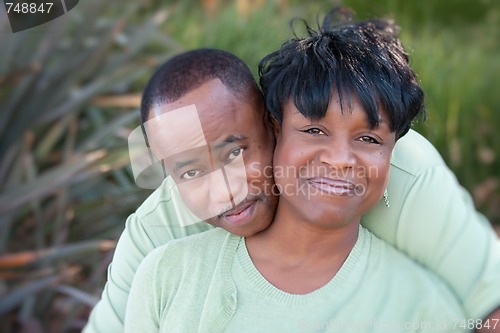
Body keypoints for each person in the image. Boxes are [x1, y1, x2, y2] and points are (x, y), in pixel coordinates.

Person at [84, 17, 500, 333]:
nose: (339, 159)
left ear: (270, 127)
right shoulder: (164, 261)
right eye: (315, 130)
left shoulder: (412, 191)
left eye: (235, 152)